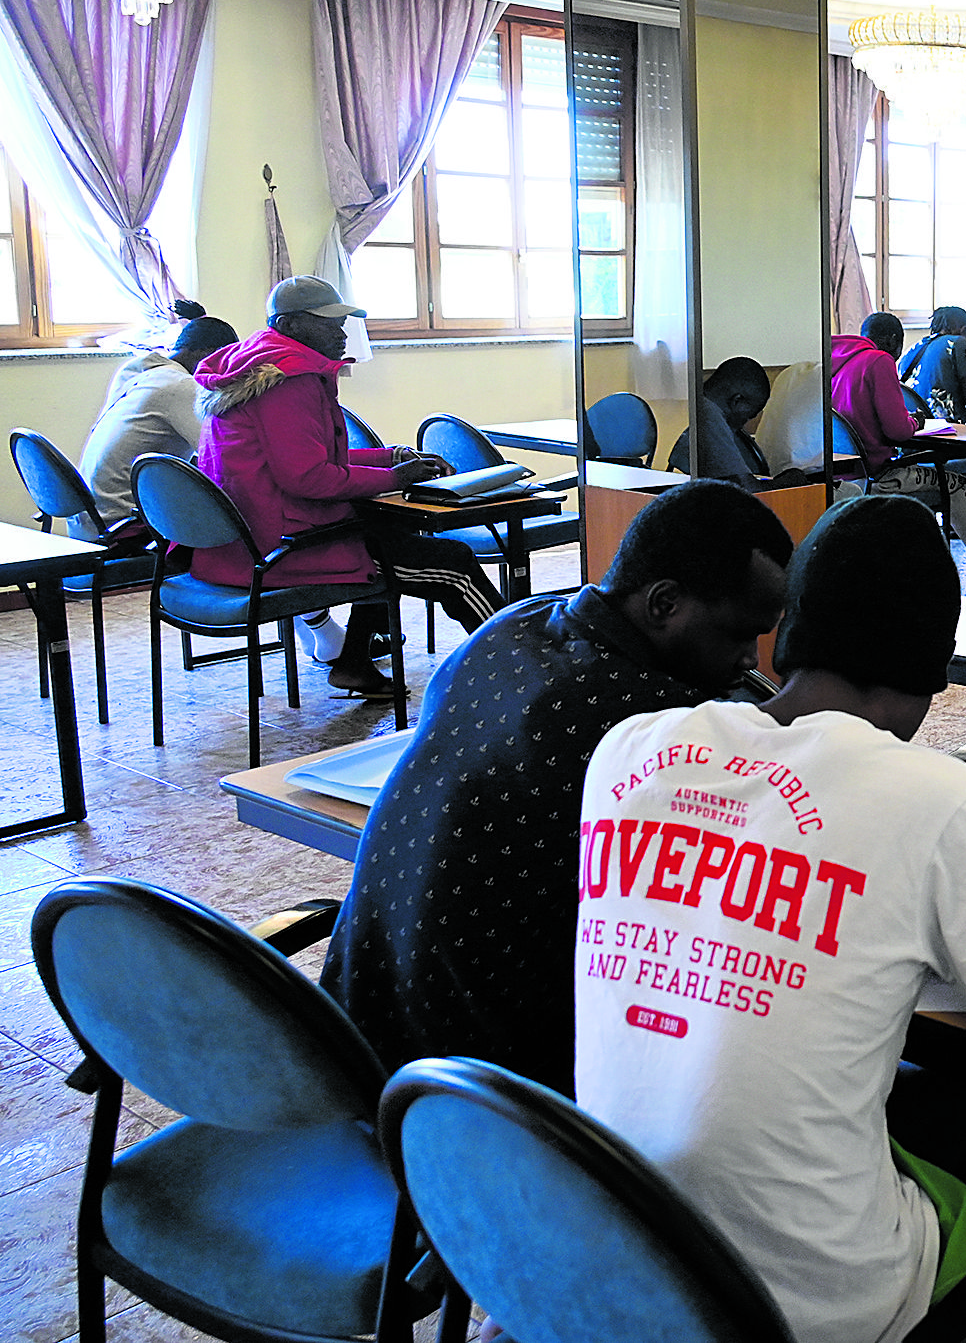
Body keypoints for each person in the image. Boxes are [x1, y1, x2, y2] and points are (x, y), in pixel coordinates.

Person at [573, 495, 966, 1343]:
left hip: (626, 1249)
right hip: (813, 1305)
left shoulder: (628, 750)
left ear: (788, 629)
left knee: (937, 1112)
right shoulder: (939, 799)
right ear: (932, 665)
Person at [322, 480, 794, 1093]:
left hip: (354, 1038)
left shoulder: (511, 626)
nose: (749, 658)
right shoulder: (647, 733)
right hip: (487, 1098)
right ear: (663, 604)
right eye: (736, 633)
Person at [192, 276, 499, 699]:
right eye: (329, 323)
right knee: (453, 563)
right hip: (285, 545)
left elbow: (308, 458)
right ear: (291, 324)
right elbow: (309, 476)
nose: (341, 333)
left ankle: (354, 663)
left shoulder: (260, 362)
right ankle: (519, 660)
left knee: (394, 534)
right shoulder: (290, 379)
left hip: (249, 536)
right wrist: (396, 479)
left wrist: (389, 458)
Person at [831, 311, 966, 598]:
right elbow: (898, 431)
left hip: (848, 477)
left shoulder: (838, 362)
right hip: (880, 475)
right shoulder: (879, 360)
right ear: (893, 340)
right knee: (955, 483)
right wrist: (915, 422)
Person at [72, 299, 238, 535]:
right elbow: (217, 455)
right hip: (122, 523)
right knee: (236, 517)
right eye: (225, 361)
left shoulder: (138, 371)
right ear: (206, 354)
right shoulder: (180, 386)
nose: (224, 372)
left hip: (92, 517)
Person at [666, 355, 772, 487]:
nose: (745, 422)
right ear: (737, 401)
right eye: (750, 415)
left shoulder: (695, 404)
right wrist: (791, 481)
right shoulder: (709, 417)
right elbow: (746, 488)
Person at [899, 305, 966, 423]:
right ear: (964, 330)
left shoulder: (911, 350)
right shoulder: (958, 343)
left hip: (915, 429)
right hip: (945, 431)